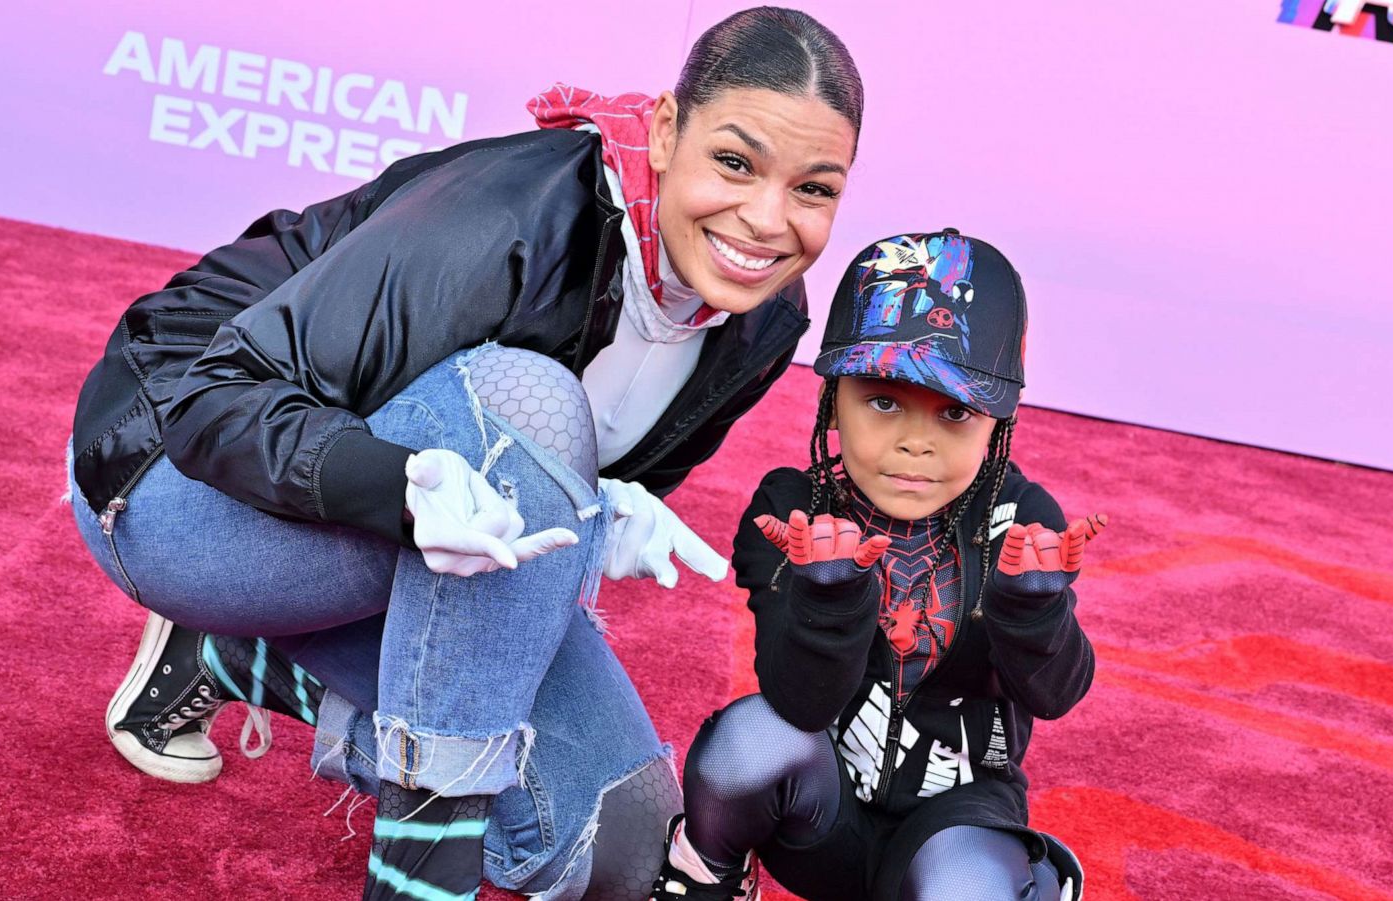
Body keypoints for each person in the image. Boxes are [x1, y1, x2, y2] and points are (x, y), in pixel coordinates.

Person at [65, 8, 862, 900]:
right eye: (736, 162)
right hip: (170, 483)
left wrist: (601, 512)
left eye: (814, 189)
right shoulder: (512, 216)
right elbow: (215, 397)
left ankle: (230, 659)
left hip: (413, 540)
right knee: (532, 402)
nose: (765, 221)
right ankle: (418, 876)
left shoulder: (762, 320)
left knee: (623, 846)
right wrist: (401, 489)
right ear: (671, 130)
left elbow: (586, 490)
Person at [648, 231, 1104, 901]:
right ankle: (705, 875)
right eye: (884, 400)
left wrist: (1036, 613)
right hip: (816, 823)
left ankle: (1020, 876)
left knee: (966, 885)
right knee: (744, 741)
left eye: (955, 412)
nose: (915, 440)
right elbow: (797, 704)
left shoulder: (1021, 518)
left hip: (959, 822)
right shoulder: (793, 509)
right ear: (833, 397)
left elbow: (1056, 695)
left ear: (997, 426)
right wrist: (827, 600)